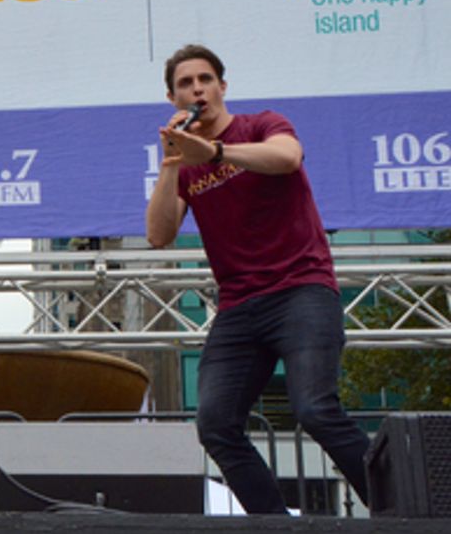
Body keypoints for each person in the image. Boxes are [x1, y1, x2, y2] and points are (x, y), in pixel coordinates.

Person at [144, 44, 369, 514]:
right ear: (173, 98)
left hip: (301, 290)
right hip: (239, 307)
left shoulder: (263, 125)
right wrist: (170, 165)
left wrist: (217, 151)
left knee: (315, 410)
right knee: (216, 424)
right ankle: (274, 523)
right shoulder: (184, 165)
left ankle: (404, 509)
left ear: (222, 86)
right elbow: (158, 234)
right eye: (185, 84)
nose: (197, 88)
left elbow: (286, 158)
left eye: (204, 79)